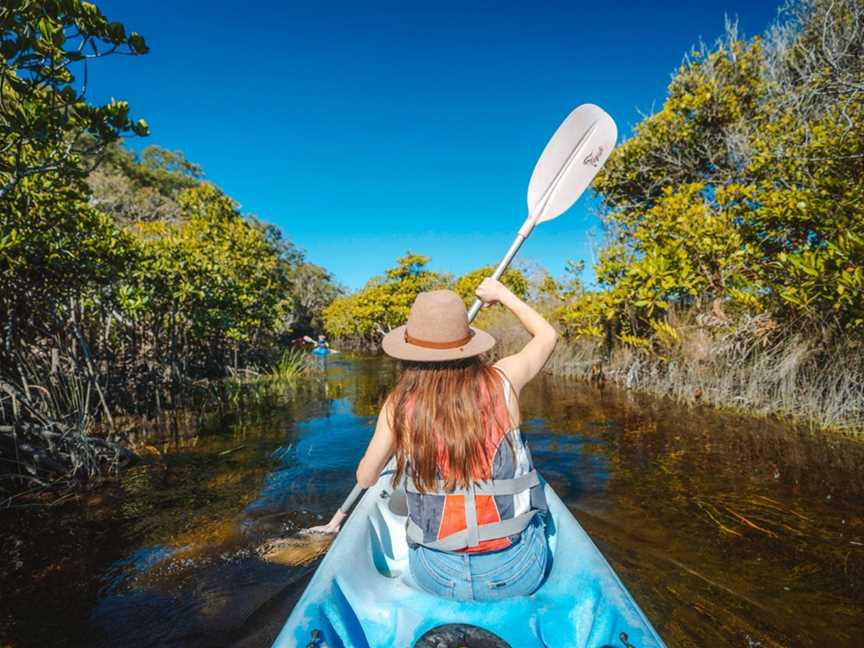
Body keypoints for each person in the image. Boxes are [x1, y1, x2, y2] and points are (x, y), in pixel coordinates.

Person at [311, 278, 558, 601]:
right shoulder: (505, 379)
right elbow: (547, 335)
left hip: (438, 574)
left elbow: (366, 476)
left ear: (411, 351)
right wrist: (503, 295)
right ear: (468, 344)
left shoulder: (398, 404)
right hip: (516, 570)